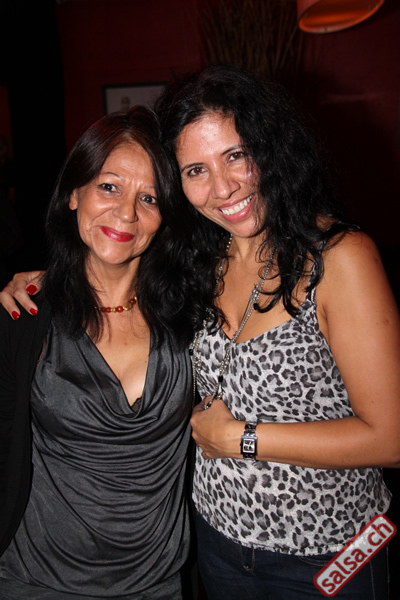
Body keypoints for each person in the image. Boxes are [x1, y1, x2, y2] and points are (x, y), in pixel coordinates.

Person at [2, 65, 400, 599]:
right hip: (217, 544)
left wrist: (240, 439)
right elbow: (111, 261)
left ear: (269, 147)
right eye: (195, 170)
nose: (223, 186)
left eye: (236, 155)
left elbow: (392, 436)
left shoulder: (340, 258)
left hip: (328, 548)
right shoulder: (198, 268)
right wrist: (48, 280)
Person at [0, 106, 195, 599]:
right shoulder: (24, 314)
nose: (126, 213)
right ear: (74, 193)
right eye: (109, 187)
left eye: (148, 198)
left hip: (157, 585)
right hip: (36, 582)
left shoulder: (192, 315)